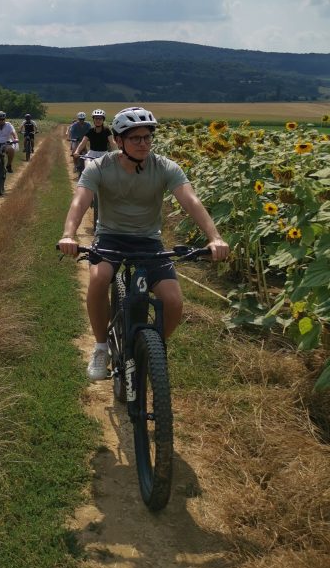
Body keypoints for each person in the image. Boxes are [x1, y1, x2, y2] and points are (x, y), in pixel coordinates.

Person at [57, 106, 229, 382]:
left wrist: (215, 237)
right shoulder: (100, 167)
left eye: (147, 137)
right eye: (135, 138)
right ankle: (101, 347)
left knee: (173, 301)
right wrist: (69, 234)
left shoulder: (164, 167)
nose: (143, 143)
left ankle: (153, 350)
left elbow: (191, 201)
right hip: (111, 236)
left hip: (149, 241)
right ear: (118, 140)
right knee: (99, 279)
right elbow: (80, 201)